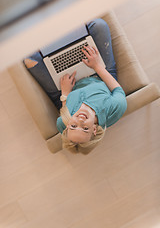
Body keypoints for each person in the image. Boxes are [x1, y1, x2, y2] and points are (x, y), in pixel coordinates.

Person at [23, 18, 127, 155]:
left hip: (66, 89)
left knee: (30, 59)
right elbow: (117, 89)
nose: (80, 120)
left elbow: (64, 109)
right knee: (99, 25)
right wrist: (96, 65)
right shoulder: (115, 109)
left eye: (73, 126)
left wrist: (65, 93)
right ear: (94, 130)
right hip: (98, 76)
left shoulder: (62, 125)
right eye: (85, 129)